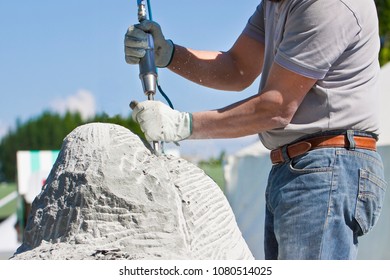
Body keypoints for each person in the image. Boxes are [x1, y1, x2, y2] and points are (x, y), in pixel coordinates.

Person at [124, 0, 387, 260]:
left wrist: (182, 125)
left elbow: (277, 106)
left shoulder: (327, 4)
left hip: (328, 165)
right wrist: (169, 54)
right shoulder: (275, 4)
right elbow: (237, 67)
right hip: (300, 165)